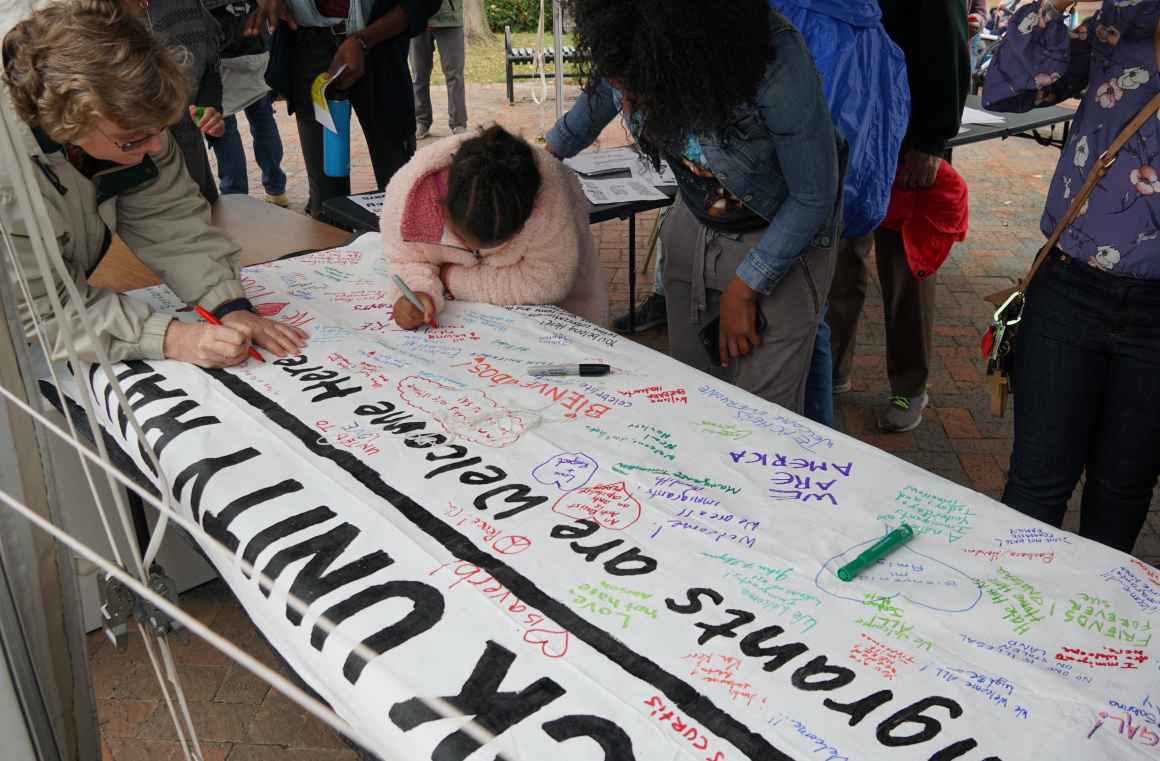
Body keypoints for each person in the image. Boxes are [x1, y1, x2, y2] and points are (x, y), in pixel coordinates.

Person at [548, 0, 844, 414]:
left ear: (685, 61)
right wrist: (544, 156)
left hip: (780, 232)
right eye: (623, 92)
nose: (628, 108)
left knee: (763, 418)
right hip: (696, 219)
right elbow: (601, 96)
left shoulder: (773, 61)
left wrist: (744, 290)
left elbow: (813, 196)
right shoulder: (631, 42)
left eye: (638, 94)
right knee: (697, 395)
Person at [1, 0, 307, 366]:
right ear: (67, 125)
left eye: (160, 129)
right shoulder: (9, 170)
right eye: (132, 140)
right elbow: (39, 308)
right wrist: (171, 338)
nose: (156, 146)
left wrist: (228, 303)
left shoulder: (127, 113)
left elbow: (170, 218)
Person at [982, 0, 1160, 553]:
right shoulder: (1121, 24)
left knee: (1122, 492)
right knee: (1036, 486)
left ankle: (1086, 629)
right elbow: (1008, 90)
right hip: (1070, 290)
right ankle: (1010, 623)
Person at [826, 0, 969, 432]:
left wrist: (932, 138)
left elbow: (949, 46)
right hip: (853, 129)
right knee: (841, 257)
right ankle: (833, 366)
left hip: (910, 139)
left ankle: (910, 384)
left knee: (906, 264)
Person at [385, 126, 608, 328]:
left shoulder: (550, 198)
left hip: (551, 323)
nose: (471, 249)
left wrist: (452, 279)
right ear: (444, 206)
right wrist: (417, 291)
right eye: (462, 236)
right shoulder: (407, 196)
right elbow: (407, 260)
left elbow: (548, 281)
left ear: (526, 218)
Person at [247, 0, 441, 218]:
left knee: (399, 190)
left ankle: (402, 246)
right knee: (327, 198)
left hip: (381, 49)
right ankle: (335, 244)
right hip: (308, 48)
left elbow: (421, 4)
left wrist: (364, 40)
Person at [123, 0, 228, 202]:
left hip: (190, 163)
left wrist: (209, 109)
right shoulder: (90, 19)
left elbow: (209, 66)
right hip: (133, 183)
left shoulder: (185, 5)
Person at [208, 0, 290, 206]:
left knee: (224, 128)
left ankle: (236, 198)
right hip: (255, 49)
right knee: (263, 119)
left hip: (221, 55)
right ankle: (276, 188)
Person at [410, 0, 468, 141]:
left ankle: (459, 123)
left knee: (455, 75)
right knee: (419, 75)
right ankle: (421, 121)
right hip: (418, 19)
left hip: (450, 19)